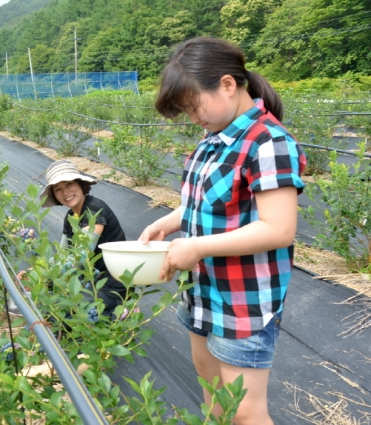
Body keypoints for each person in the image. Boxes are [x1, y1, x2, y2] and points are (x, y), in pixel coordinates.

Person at [139, 37, 307, 424]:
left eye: (193, 105)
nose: (192, 116)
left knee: (245, 413)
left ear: (228, 85)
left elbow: (279, 229)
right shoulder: (212, 138)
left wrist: (196, 247)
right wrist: (168, 222)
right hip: (203, 289)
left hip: (243, 299)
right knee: (212, 390)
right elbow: (201, 203)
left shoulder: (269, 142)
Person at [39, 160, 130, 319]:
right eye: (58, 189)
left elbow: (81, 256)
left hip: (111, 284)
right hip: (91, 280)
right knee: (48, 299)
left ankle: (117, 311)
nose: (65, 192)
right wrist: (38, 272)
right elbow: (63, 253)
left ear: (80, 184)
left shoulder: (94, 209)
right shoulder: (71, 216)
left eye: (68, 184)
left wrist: (47, 274)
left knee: (63, 315)